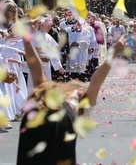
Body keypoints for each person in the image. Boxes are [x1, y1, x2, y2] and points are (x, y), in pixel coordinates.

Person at [17, 28, 126, 164]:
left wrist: (27, 41)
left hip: (34, 118)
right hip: (61, 121)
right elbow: (96, 81)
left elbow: (35, 68)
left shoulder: (44, 91)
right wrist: (113, 53)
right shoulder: (79, 98)